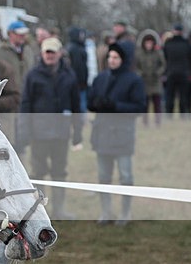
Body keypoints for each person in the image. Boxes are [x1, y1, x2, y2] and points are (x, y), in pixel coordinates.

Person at [18, 37, 83, 220]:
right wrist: (24, 133)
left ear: (60, 53)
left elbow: (77, 106)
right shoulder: (32, 75)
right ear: (42, 53)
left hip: (61, 134)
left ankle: (59, 210)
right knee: (38, 173)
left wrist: (77, 132)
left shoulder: (69, 75)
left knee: (59, 172)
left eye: (53, 52)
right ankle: (40, 212)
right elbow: (25, 105)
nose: (50, 55)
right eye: (47, 52)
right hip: (39, 135)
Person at [88, 43, 147, 226]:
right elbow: (91, 102)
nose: (112, 61)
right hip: (102, 135)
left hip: (122, 136)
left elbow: (139, 108)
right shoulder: (100, 78)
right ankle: (106, 212)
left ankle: (125, 213)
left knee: (125, 177)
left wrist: (116, 106)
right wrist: (96, 103)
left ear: (123, 60)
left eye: (116, 58)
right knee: (103, 177)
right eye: (110, 57)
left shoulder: (134, 80)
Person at [162, 23, 191, 118]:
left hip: (170, 73)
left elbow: (164, 58)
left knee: (170, 96)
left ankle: (169, 116)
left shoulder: (168, 44)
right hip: (184, 73)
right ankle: (183, 116)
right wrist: (190, 71)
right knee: (183, 96)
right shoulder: (186, 44)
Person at [134, 29, 166, 126]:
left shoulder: (158, 52)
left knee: (157, 104)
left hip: (155, 81)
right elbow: (136, 66)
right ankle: (145, 122)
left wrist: (158, 73)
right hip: (144, 82)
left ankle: (158, 122)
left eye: (150, 43)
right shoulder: (139, 53)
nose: (148, 45)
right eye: (147, 43)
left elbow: (163, 65)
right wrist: (140, 73)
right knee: (145, 104)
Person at [66, 27, 89, 113]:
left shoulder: (78, 47)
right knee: (80, 106)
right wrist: (81, 81)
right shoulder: (75, 49)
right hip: (78, 83)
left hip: (79, 82)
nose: (82, 36)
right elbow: (78, 67)